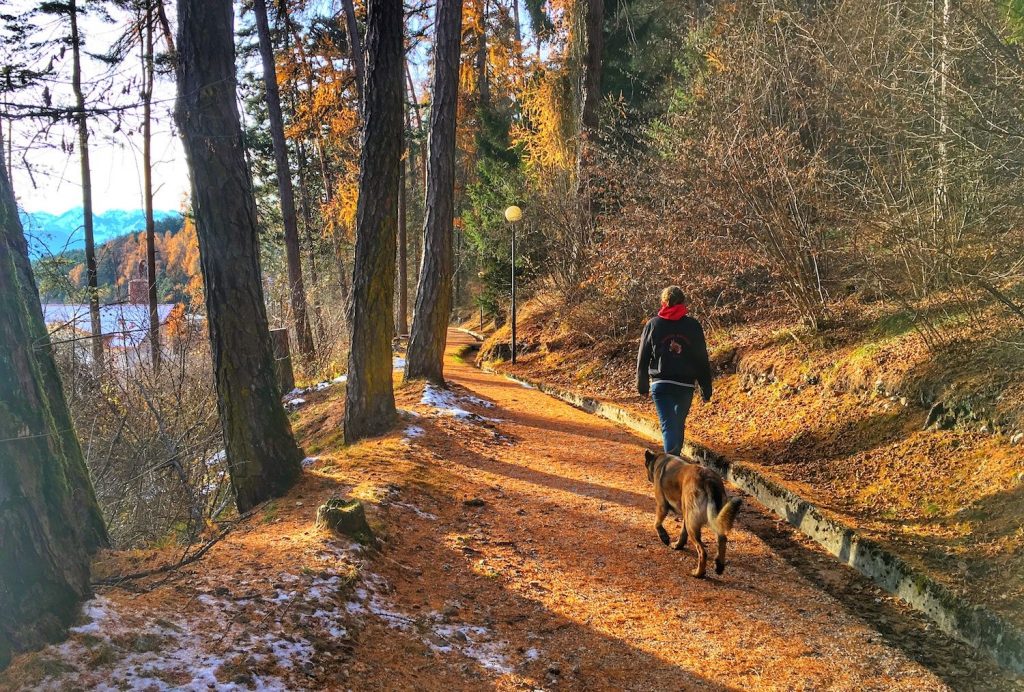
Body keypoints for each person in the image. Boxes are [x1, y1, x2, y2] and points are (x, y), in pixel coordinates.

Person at [636, 286, 712, 456]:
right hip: (685, 384)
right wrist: (706, 387)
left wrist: (642, 385)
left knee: (669, 424)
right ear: (683, 302)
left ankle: (672, 463)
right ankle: (674, 460)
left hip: (661, 384)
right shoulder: (693, 326)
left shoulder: (653, 324)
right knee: (677, 423)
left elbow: (643, 357)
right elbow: (701, 358)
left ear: (663, 302)